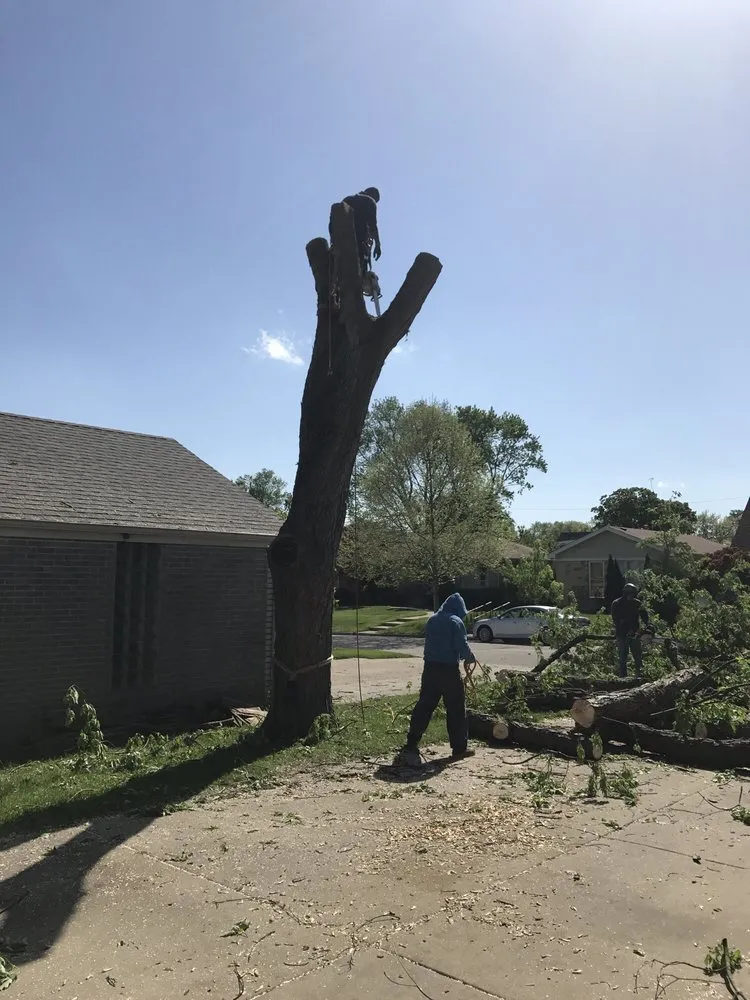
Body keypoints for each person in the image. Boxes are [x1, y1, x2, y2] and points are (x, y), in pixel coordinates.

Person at [397, 593, 476, 766]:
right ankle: (459, 748)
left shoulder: (432, 620)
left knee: (424, 706)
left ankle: (411, 743)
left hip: (430, 669)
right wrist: (470, 657)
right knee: (455, 708)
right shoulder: (456, 622)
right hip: (448, 670)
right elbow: (461, 646)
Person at [332, 187, 382, 279]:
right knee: (357, 276)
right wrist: (378, 244)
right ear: (373, 196)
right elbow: (373, 226)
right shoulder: (370, 201)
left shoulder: (347, 199)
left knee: (341, 275)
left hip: (340, 243)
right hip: (358, 244)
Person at [611, 582, 650, 677]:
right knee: (623, 657)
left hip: (635, 634)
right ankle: (623, 678)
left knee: (637, 656)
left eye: (632, 594)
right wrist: (626, 629)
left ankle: (639, 675)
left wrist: (648, 625)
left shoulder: (637, 603)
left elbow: (645, 616)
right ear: (625, 593)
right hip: (622, 634)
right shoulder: (617, 603)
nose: (631, 596)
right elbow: (616, 620)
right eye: (629, 594)